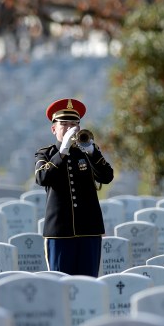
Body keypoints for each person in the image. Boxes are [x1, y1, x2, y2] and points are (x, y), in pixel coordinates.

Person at [34, 98, 114, 277]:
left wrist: (92, 152)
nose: (70, 128)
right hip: (60, 232)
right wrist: (62, 151)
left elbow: (107, 177)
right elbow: (42, 177)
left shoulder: (87, 151)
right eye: (64, 124)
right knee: (60, 282)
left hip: (89, 230)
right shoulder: (46, 154)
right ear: (54, 129)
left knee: (89, 282)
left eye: (74, 125)